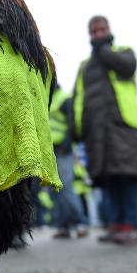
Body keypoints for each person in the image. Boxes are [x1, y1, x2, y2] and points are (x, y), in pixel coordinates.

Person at [72, 15, 137, 245]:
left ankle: (132, 225)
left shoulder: (123, 52)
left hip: (123, 127)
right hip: (97, 132)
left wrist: (104, 50)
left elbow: (127, 68)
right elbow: (78, 99)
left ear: (109, 30)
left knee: (129, 176)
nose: (98, 34)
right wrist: (77, 130)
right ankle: (115, 224)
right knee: (108, 178)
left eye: (101, 30)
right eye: (94, 31)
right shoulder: (85, 67)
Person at [48, 83, 88, 239]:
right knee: (55, 190)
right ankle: (63, 226)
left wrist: (66, 144)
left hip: (63, 150)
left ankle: (80, 223)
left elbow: (72, 125)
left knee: (66, 187)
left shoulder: (64, 99)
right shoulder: (45, 98)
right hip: (49, 151)